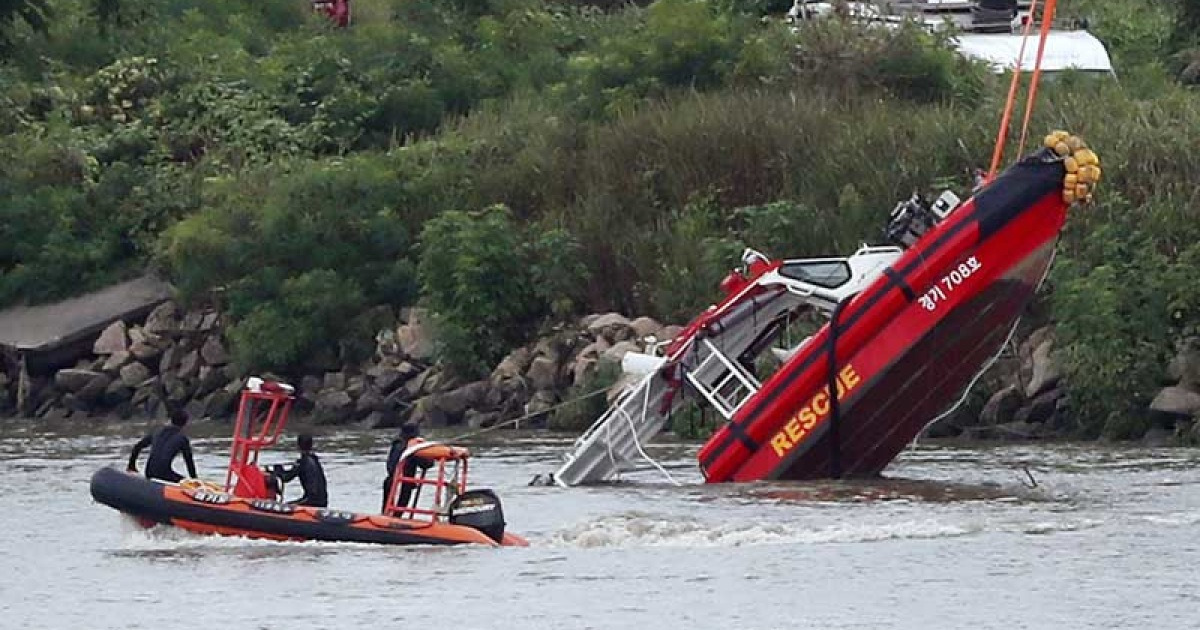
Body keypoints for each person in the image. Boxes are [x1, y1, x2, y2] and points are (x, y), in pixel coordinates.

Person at [127, 408, 198, 483]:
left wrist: (131, 466)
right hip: (164, 475)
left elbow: (137, 447)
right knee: (186, 483)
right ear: (185, 423)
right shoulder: (183, 439)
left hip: (149, 472)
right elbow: (189, 461)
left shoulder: (157, 432)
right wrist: (195, 480)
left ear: (171, 420)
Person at [381, 423, 431, 513]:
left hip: (395, 481)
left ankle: (388, 517)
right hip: (400, 483)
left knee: (389, 510)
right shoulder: (410, 448)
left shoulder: (397, 444)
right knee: (395, 510)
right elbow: (427, 464)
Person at [271, 434, 328, 508]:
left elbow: (286, 478)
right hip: (323, 501)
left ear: (298, 446)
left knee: (286, 506)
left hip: (311, 500)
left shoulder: (302, 462)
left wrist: (278, 470)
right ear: (311, 445)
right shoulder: (316, 460)